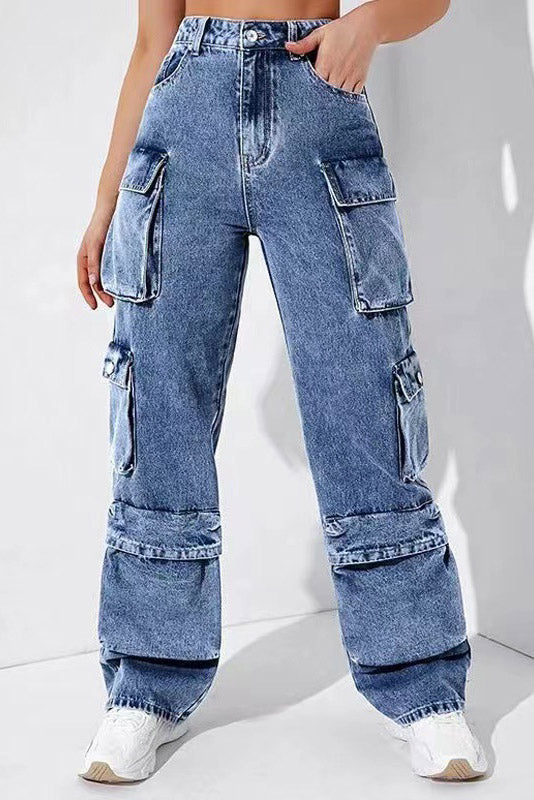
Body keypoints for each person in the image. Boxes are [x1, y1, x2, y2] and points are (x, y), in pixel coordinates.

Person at [77, 0, 487, 784]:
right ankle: (146, 684)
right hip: (182, 117)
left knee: (365, 391)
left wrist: (367, 27)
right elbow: (153, 39)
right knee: (158, 397)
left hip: (316, 100)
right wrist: (105, 203)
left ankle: (420, 685)